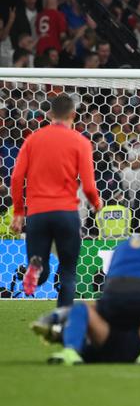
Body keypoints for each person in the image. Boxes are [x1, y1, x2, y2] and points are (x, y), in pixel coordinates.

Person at [31, 233, 140, 365]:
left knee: (83, 309)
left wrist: (57, 317)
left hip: (110, 321)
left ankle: (68, 347)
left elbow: (106, 293)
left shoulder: (125, 246)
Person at [10, 94, 101, 306]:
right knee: (68, 273)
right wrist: (97, 204)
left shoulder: (33, 140)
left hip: (38, 213)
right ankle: (62, 322)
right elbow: (88, 185)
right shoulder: (81, 142)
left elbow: (16, 178)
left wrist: (17, 212)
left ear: (50, 114)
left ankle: (36, 268)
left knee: (40, 269)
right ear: (73, 115)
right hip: (66, 213)